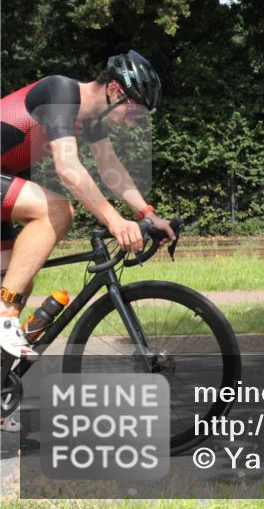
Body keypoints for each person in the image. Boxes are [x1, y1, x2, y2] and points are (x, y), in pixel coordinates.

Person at [0, 50, 176, 368]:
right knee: (56, 210)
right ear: (114, 90)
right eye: (135, 112)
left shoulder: (92, 119)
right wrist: (115, 221)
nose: (134, 122)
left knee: (19, 277)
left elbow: (111, 169)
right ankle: (5, 315)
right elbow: (67, 167)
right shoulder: (61, 92)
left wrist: (147, 215)